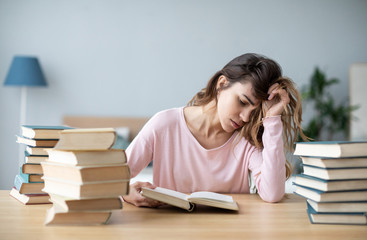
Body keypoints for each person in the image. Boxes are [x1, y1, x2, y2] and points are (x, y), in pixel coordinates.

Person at [123, 53, 306, 207]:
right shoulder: (164, 125)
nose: (245, 118)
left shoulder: (246, 140)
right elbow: (111, 175)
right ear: (222, 84)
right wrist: (124, 192)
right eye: (242, 102)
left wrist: (272, 119)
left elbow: (272, 194)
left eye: (254, 111)